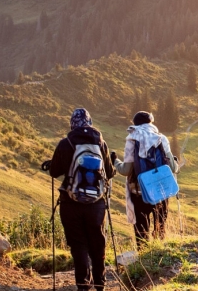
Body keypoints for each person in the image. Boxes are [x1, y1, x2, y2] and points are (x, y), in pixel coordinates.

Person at [47, 108, 115, 290]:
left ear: (72, 124)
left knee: (78, 244)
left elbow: (54, 171)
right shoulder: (101, 143)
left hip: (70, 203)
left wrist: (51, 164)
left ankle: (83, 285)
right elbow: (108, 173)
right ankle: (101, 283)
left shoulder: (66, 143)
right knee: (97, 242)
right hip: (97, 204)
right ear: (90, 122)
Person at [112, 111, 180, 248]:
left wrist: (115, 161)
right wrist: (175, 162)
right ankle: (160, 260)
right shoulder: (161, 138)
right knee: (160, 229)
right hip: (161, 191)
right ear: (151, 123)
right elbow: (173, 168)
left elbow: (126, 170)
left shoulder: (132, 139)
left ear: (135, 124)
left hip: (139, 192)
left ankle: (143, 260)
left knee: (142, 232)